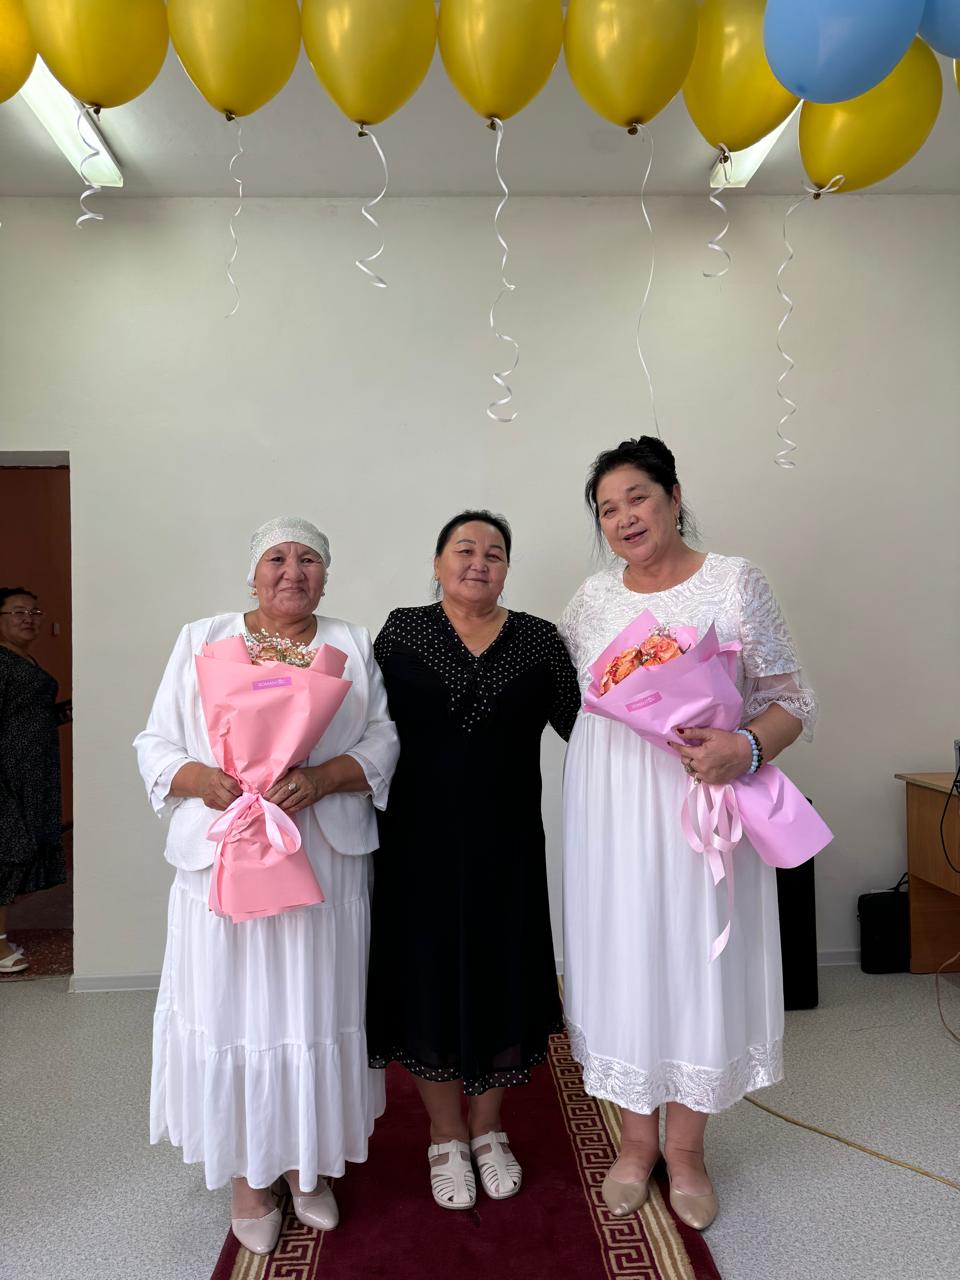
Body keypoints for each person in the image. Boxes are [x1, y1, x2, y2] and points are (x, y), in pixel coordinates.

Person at [559, 438, 817, 1230]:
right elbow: (576, 697)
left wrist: (747, 747)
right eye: (607, 509)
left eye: (637, 497)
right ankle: (636, 1144)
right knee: (627, 954)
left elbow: (792, 699)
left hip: (701, 801)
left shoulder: (734, 581)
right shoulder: (591, 601)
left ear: (673, 496)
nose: (624, 518)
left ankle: (687, 1150)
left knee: (697, 956)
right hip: (612, 809)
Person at [134, 517, 399, 1255]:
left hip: (320, 859)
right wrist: (201, 779)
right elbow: (155, 742)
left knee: (314, 1004)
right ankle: (249, 1176)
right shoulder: (202, 639)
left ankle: (306, 1162)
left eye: (309, 559)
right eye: (276, 558)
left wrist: (323, 777)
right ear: (252, 574)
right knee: (235, 1007)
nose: (293, 571)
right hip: (227, 855)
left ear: (327, 575)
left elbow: (382, 738)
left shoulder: (351, 642)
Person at [366, 510, 582, 1210]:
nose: (479, 562)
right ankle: (445, 1135)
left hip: (507, 845)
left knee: (501, 973)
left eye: (494, 553)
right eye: (464, 549)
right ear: (437, 564)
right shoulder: (402, 632)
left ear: (507, 570)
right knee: (425, 976)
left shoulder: (540, 640)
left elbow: (591, 729)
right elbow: (355, 724)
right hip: (414, 845)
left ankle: (489, 1129)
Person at [0, 587, 67, 975]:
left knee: (20, 851)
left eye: (34, 612)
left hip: (32, 774)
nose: (28, 618)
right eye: (17, 611)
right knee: (7, 854)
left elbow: (28, 716)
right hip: (7, 774)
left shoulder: (24, 659)